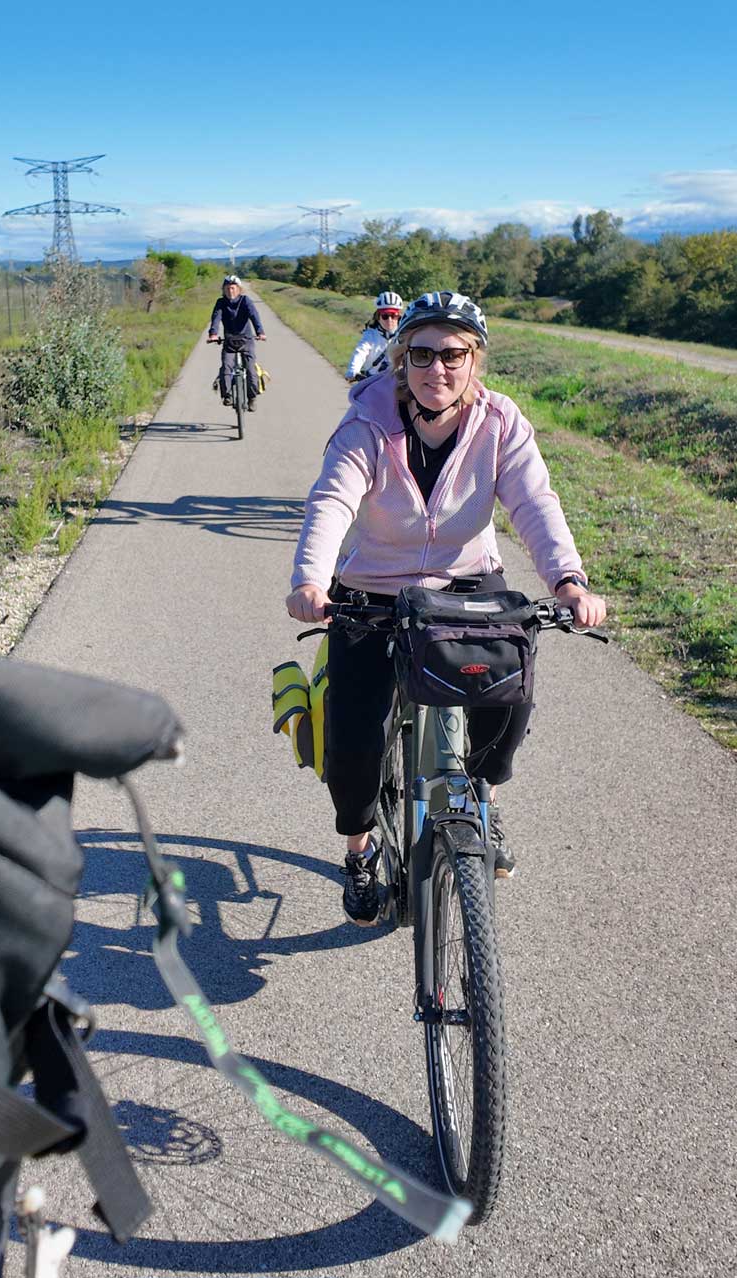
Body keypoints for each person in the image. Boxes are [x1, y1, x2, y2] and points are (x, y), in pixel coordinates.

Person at [285, 290, 606, 925]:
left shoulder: (501, 422)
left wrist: (568, 580)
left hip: (466, 584)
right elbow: (332, 501)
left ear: (474, 359)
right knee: (353, 738)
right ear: (401, 359)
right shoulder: (367, 422)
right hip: (374, 592)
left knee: (507, 697)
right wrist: (310, 579)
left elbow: (534, 504)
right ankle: (358, 850)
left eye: (453, 354)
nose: (438, 368)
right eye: (422, 353)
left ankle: (479, 800)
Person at [208, 275, 266, 410]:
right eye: (227, 288)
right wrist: (213, 334)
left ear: (239, 289)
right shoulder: (221, 303)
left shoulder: (245, 301)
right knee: (226, 367)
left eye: (233, 288)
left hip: (246, 340)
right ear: (223, 290)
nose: (230, 291)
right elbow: (216, 318)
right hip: (229, 341)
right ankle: (227, 395)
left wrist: (260, 332)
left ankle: (252, 398)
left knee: (251, 369)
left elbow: (254, 316)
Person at [345, 291, 404, 382]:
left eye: (393, 315)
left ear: (398, 317)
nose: (389, 320)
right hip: (373, 382)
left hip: (397, 383)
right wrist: (353, 370)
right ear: (378, 317)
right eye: (385, 316)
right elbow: (360, 351)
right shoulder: (370, 335)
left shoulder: (404, 335)